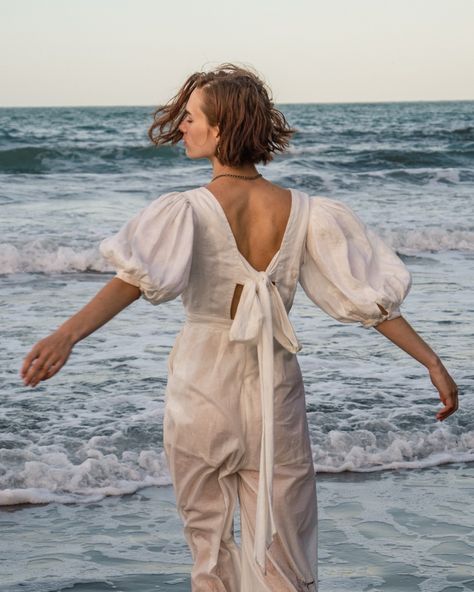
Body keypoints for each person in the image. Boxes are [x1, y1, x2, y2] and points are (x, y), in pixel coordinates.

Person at [21, 63, 459, 592]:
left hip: (202, 385)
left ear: (220, 128)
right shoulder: (307, 212)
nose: (182, 127)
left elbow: (134, 282)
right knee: (283, 545)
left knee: (208, 542)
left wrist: (67, 334)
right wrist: (431, 361)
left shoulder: (185, 210)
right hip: (274, 385)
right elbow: (366, 301)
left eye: (190, 118)